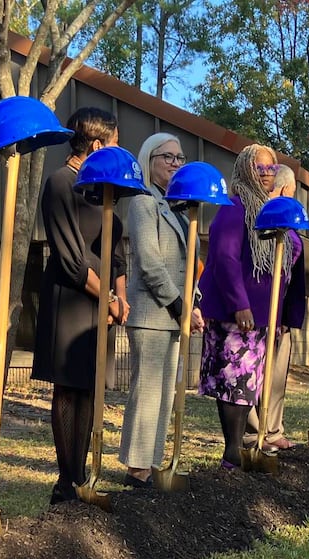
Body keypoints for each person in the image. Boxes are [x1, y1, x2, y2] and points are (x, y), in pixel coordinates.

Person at [32, 107, 130, 503]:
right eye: (115, 142)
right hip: (72, 302)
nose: (119, 149)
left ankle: (82, 476)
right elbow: (72, 260)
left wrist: (120, 300)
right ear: (96, 144)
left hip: (101, 305)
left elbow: (116, 250)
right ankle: (66, 480)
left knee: (89, 388)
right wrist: (107, 296)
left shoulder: (101, 188)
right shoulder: (60, 184)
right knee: (69, 389)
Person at [198, 144, 307, 469]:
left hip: (262, 317)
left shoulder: (269, 211)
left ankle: (239, 452)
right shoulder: (235, 208)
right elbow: (225, 259)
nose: (266, 173)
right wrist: (240, 305)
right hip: (235, 316)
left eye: (271, 168)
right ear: (245, 169)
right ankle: (232, 453)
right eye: (260, 168)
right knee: (233, 383)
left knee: (248, 385)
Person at [119, 133, 206, 487]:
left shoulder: (177, 208)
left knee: (165, 394)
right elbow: (151, 265)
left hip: (172, 316)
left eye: (179, 158)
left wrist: (194, 304)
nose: (174, 163)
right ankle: (135, 471)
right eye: (166, 157)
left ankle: (150, 465)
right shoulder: (143, 203)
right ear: (148, 159)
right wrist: (181, 306)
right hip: (152, 314)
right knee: (149, 392)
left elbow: (187, 266)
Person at [244, 163, 298, 451]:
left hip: (282, 312)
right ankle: (255, 433)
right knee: (255, 373)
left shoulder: (289, 219)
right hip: (261, 311)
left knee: (275, 377)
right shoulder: (262, 216)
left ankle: (272, 430)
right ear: (288, 188)